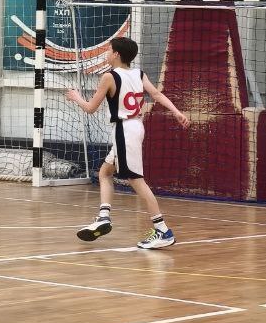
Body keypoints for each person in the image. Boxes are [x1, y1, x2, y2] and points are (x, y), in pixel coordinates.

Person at [65, 35, 190, 249]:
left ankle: (163, 230)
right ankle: (104, 216)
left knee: (135, 180)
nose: (106, 53)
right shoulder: (138, 74)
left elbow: (90, 108)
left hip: (124, 131)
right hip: (135, 127)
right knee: (105, 172)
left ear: (116, 54)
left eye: (108, 50)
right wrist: (176, 111)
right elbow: (156, 94)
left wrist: (76, 97)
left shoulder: (109, 77)